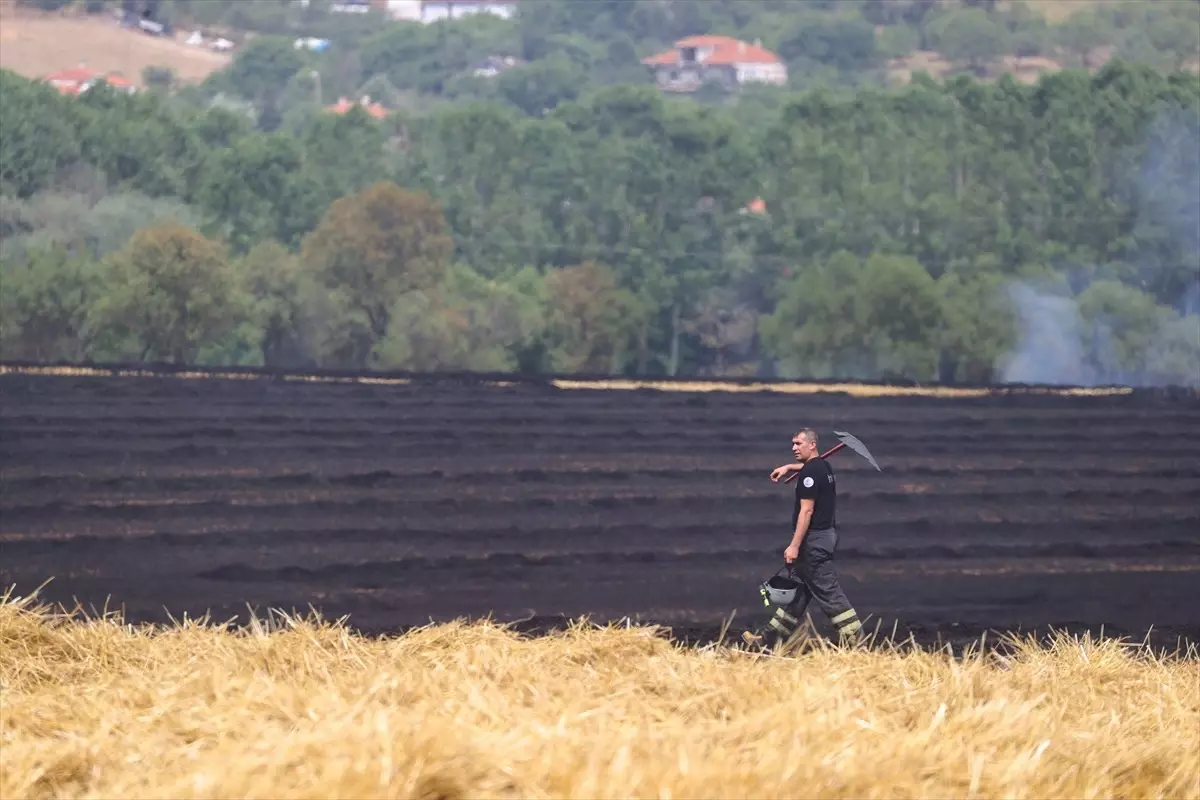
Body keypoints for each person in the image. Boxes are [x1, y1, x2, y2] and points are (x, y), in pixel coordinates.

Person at [742, 428, 864, 648]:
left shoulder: (810, 473)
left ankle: (858, 644)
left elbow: (806, 511)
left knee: (829, 592)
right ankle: (769, 641)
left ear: (812, 445)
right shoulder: (823, 467)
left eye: (798, 444)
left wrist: (794, 546)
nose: (793, 448)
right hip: (825, 538)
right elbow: (809, 470)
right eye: (793, 444)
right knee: (796, 593)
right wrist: (789, 467)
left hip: (813, 542)